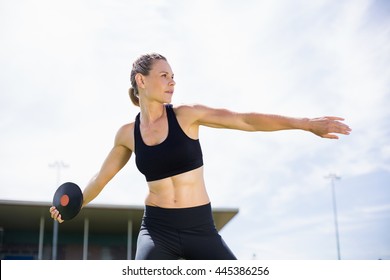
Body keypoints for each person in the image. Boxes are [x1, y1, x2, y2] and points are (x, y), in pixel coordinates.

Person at [50, 53, 351, 260]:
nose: (172, 81)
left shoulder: (187, 116)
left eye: (173, 76)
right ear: (141, 81)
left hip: (199, 227)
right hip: (157, 229)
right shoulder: (127, 134)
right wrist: (74, 205)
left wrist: (305, 123)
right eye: (164, 75)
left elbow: (246, 120)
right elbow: (100, 178)